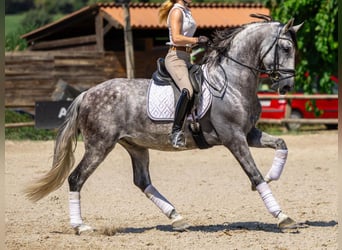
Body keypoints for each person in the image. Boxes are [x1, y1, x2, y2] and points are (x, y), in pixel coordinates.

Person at [158, 0, 209, 149]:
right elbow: (176, 38)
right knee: (187, 90)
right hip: (175, 57)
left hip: (187, 57)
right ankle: (176, 132)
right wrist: (197, 40)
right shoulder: (176, 11)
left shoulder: (186, 11)